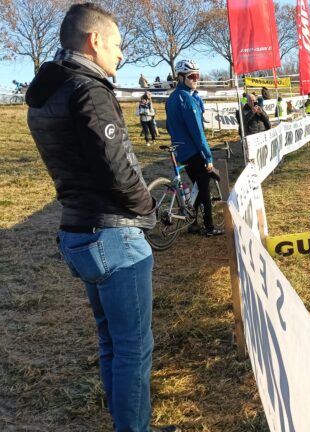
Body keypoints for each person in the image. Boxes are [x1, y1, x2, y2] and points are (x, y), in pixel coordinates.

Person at [24, 4, 180, 432]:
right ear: (94, 41)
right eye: (117, 45)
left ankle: (124, 421)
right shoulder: (88, 89)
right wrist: (148, 209)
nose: (121, 55)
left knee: (112, 340)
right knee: (134, 348)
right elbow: (118, 167)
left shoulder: (48, 92)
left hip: (77, 230)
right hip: (114, 236)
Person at [166, 58, 223, 237]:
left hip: (181, 150)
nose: (196, 79)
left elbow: (168, 126)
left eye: (198, 76)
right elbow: (198, 132)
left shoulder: (172, 98)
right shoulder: (188, 100)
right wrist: (208, 157)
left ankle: (194, 222)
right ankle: (209, 227)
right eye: (192, 76)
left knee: (197, 184)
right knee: (204, 187)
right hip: (193, 150)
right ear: (181, 77)